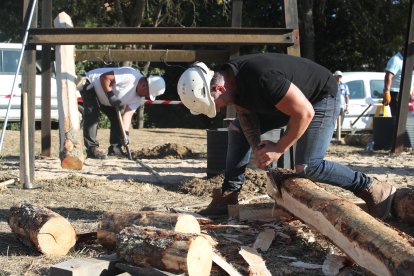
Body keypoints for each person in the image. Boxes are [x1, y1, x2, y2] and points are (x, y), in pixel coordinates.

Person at [177, 53, 396, 220]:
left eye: (218, 103)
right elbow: (245, 115)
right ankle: (229, 195)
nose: (222, 107)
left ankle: (372, 187)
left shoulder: (262, 78)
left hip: (321, 98)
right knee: (236, 129)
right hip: (295, 104)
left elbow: (304, 112)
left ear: (218, 87)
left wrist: (278, 148)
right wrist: (257, 148)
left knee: (309, 166)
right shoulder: (232, 82)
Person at [80, 67, 165, 159]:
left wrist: (125, 134)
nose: (147, 97)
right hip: (90, 84)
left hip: (104, 97)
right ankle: (92, 149)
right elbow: (104, 77)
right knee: (93, 114)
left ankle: (115, 149)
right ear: (144, 85)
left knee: (117, 118)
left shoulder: (139, 99)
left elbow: (127, 115)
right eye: (148, 94)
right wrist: (110, 95)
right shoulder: (129, 76)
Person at [383, 48, 404, 116]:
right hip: (396, 93)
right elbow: (388, 76)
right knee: (398, 118)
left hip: (404, 93)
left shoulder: (405, 60)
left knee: (403, 118)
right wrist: (387, 92)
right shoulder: (396, 60)